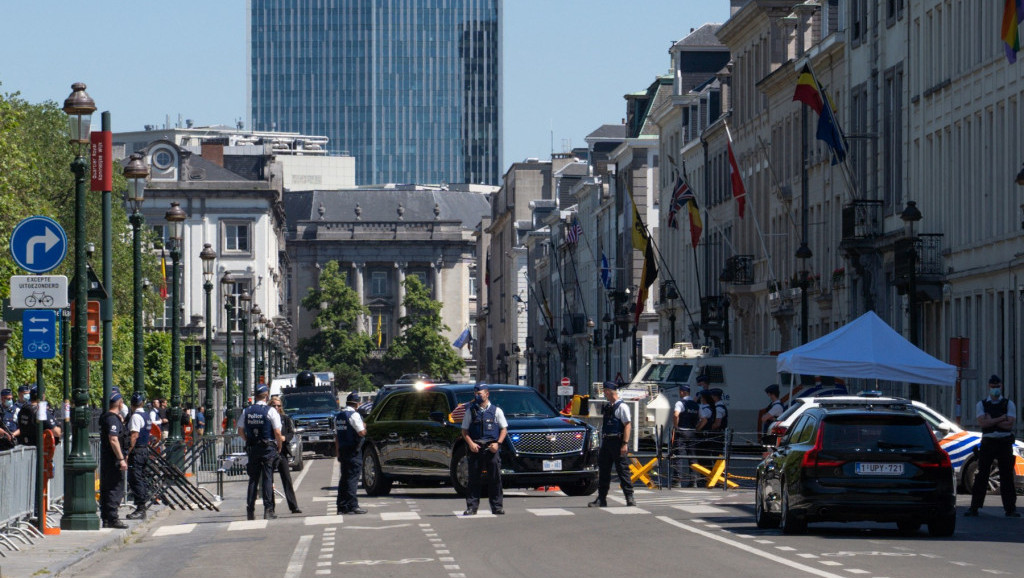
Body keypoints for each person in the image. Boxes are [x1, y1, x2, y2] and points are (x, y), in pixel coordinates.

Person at [966, 375, 1019, 517]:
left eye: (997, 386)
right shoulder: (981, 404)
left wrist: (992, 420)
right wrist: (1002, 418)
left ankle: (1010, 508)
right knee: (982, 474)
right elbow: (983, 423)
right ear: (989, 386)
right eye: (993, 386)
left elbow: (1009, 424)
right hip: (988, 442)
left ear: (1001, 387)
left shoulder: (1009, 404)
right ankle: (974, 507)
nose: (995, 389)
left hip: (1004, 442)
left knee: (1007, 475)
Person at [461, 383, 508, 515]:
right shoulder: (470, 411)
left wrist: (497, 443)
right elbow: (464, 431)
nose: (477, 396)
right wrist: (471, 444)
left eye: (479, 394)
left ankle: (497, 507)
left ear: (487, 394)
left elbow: (503, 429)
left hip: (491, 447)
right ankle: (472, 507)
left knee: (495, 478)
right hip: (476, 447)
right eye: (475, 394)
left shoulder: (496, 411)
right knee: (474, 479)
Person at [238, 384, 283, 520]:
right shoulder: (270, 411)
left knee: (253, 479)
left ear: (256, 395)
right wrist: (279, 446)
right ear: (266, 395)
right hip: (267, 447)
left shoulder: (247, 411)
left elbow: (240, 430)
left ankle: (250, 510)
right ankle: (268, 510)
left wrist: (248, 440)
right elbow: (277, 432)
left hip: (253, 448)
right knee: (267, 478)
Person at [589, 381, 635, 508]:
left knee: (623, 471)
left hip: (617, 442)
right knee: (604, 471)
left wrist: (625, 444)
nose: (604, 393)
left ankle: (629, 497)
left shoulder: (622, 407)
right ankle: (601, 499)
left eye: (605, 391)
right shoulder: (609, 406)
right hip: (607, 441)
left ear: (609, 391)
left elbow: (627, 425)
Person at [99, 391, 129, 529]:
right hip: (113, 459)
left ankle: (106, 517)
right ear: (120, 403)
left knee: (107, 487)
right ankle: (112, 517)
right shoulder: (112, 419)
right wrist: (121, 459)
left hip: (108, 458)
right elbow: (113, 438)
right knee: (115, 488)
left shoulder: (108, 417)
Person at [335, 391, 367, 515]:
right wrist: (364, 427)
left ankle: (342, 506)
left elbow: (336, 437)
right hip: (354, 451)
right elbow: (361, 433)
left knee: (344, 479)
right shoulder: (354, 415)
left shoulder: (339, 416)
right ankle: (353, 505)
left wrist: (337, 453)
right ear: (357, 404)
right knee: (352, 478)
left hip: (343, 450)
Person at [269, 397, 301, 514]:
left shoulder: (285, 418)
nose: (276, 408)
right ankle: (270, 508)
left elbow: (291, 433)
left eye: (278, 406)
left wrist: (285, 438)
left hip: (282, 452)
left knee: (287, 478)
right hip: (271, 451)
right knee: (269, 480)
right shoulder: (268, 418)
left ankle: (293, 506)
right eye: (274, 406)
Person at [125, 392, 152, 520]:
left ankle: (141, 508)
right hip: (144, 450)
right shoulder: (146, 415)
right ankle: (142, 507)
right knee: (140, 477)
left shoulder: (136, 416)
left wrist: (127, 452)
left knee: (135, 479)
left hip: (137, 451)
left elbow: (134, 436)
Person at [671, 384, 699, 487]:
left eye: (680, 391)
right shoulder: (696, 404)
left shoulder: (680, 403)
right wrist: (697, 428)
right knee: (692, 456)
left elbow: (675, 415)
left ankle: (677, 480)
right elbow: (703, 418)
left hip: (681, 431)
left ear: (683, 392)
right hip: (692, 432)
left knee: (678, 456)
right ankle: (693, 481)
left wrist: (676, 426)